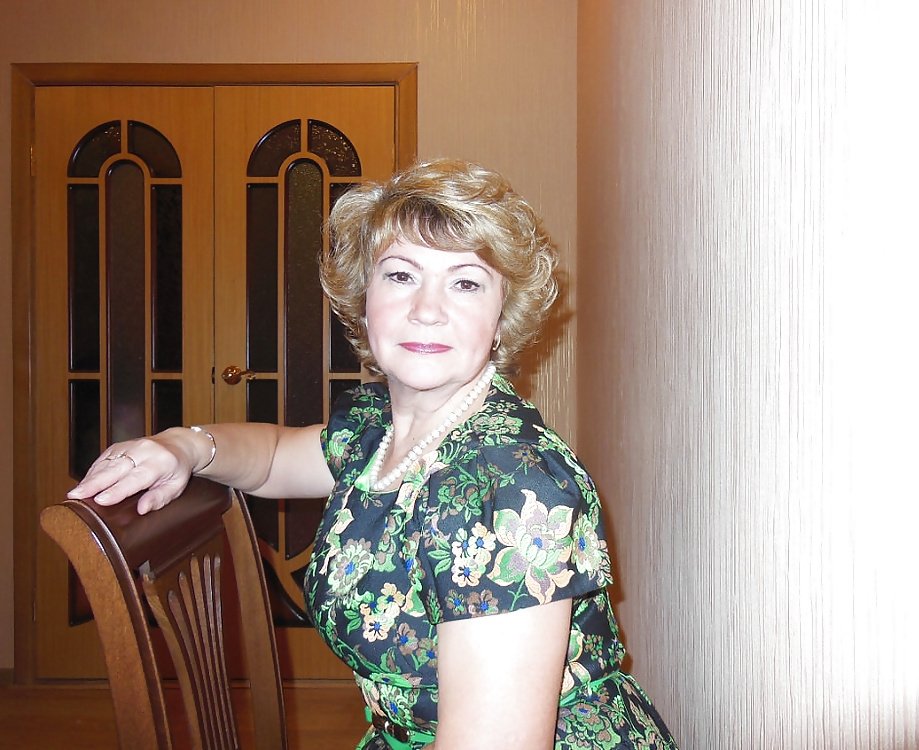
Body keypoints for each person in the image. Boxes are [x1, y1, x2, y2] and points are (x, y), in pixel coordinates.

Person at [68, 159, 679, 750]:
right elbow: (275, 457)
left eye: (465, 282)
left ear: (500, 319)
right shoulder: (379, 427)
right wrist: (182, 445)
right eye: (401, 275)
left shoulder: (508, 487)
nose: (427, 309)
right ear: (364, 299)